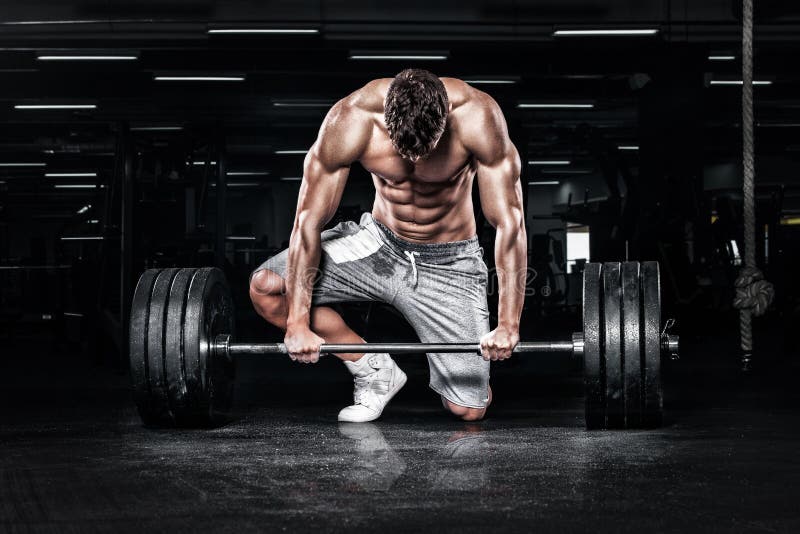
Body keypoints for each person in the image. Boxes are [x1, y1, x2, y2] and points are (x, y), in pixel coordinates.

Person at [249, 69, 526, 423]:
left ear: (445, 121)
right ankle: (373, 368)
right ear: (386, 120)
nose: (414, 163)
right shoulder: (353, 119)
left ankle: (469, 382)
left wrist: (507, 325)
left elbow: (509, 224)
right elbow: (308, 223)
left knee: (468, 409)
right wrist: (299, 323)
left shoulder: (478, 117)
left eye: (426, 152)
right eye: (404, 152)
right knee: (268, 288)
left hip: (450, 261)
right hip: (378, 245)